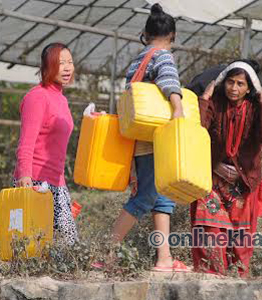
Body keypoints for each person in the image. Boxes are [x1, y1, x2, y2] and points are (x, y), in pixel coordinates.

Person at [106, 3, 189, 272]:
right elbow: (169, 82)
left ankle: (164, 259)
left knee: (162, 197)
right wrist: (177, 109)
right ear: (172, 36)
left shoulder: (138, 59)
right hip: (156, 139)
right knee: (145, 197)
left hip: (142, 139)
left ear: (145, 32)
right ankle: (105, 253)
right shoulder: (163, 56)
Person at [190, 59, 262, 277]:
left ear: (249, 88)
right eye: (230, 82)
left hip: (243, 183)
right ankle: (212, 276)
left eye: (240, 84)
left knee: (240, 238)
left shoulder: (256, 109)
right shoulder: (216, 104)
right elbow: (197, 130)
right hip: (212, 178)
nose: (234, 88)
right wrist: (205, 99)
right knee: (209, 227)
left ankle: (237, 278)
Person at [13, 42, 78, 246]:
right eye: (60, 63)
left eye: (70, 62)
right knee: (32, 246)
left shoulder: (61, 99)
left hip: (57, 184)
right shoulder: (37, 97)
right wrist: (25, 177)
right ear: (48, 67)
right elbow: (26, 142)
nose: (67, 68)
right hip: (35, 182)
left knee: (68, 247)